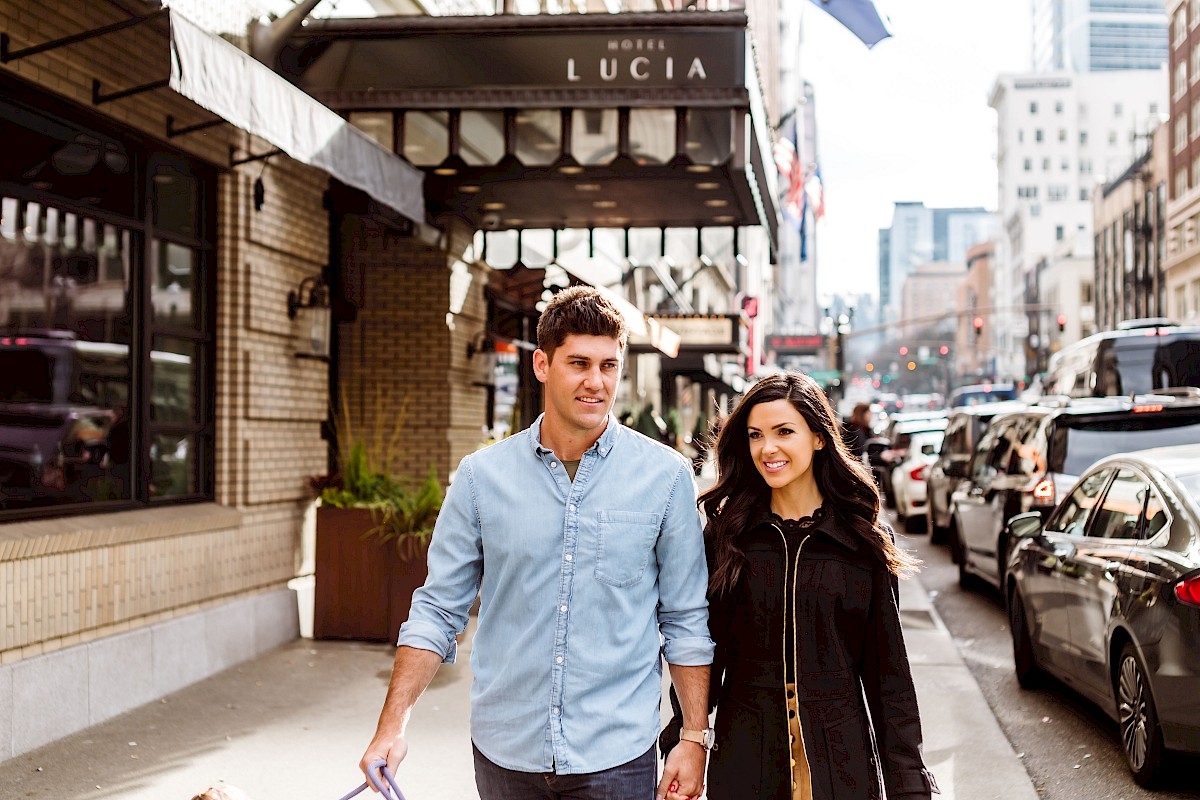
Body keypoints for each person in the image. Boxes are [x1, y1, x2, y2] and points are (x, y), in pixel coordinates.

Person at [360, 286, 714, 800]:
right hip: (507, 753)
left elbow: (685, 619)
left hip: (616, 755)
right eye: (579, 363)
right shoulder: (481, 478)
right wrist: (391, 726)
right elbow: (436, 610)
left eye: (609, 366)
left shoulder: (666, 478)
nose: (596, 382)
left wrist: (694, 738)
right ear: (542, 365)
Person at [661, 372, 938, 800]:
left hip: (841, 767)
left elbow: (889, 679)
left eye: (784, 432)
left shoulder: (860, 540)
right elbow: (706, 648)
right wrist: (686, 737)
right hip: (746, 763)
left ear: (819, 438)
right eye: (755, 435)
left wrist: (909, 785)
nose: (767, 448)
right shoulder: (729, 536)